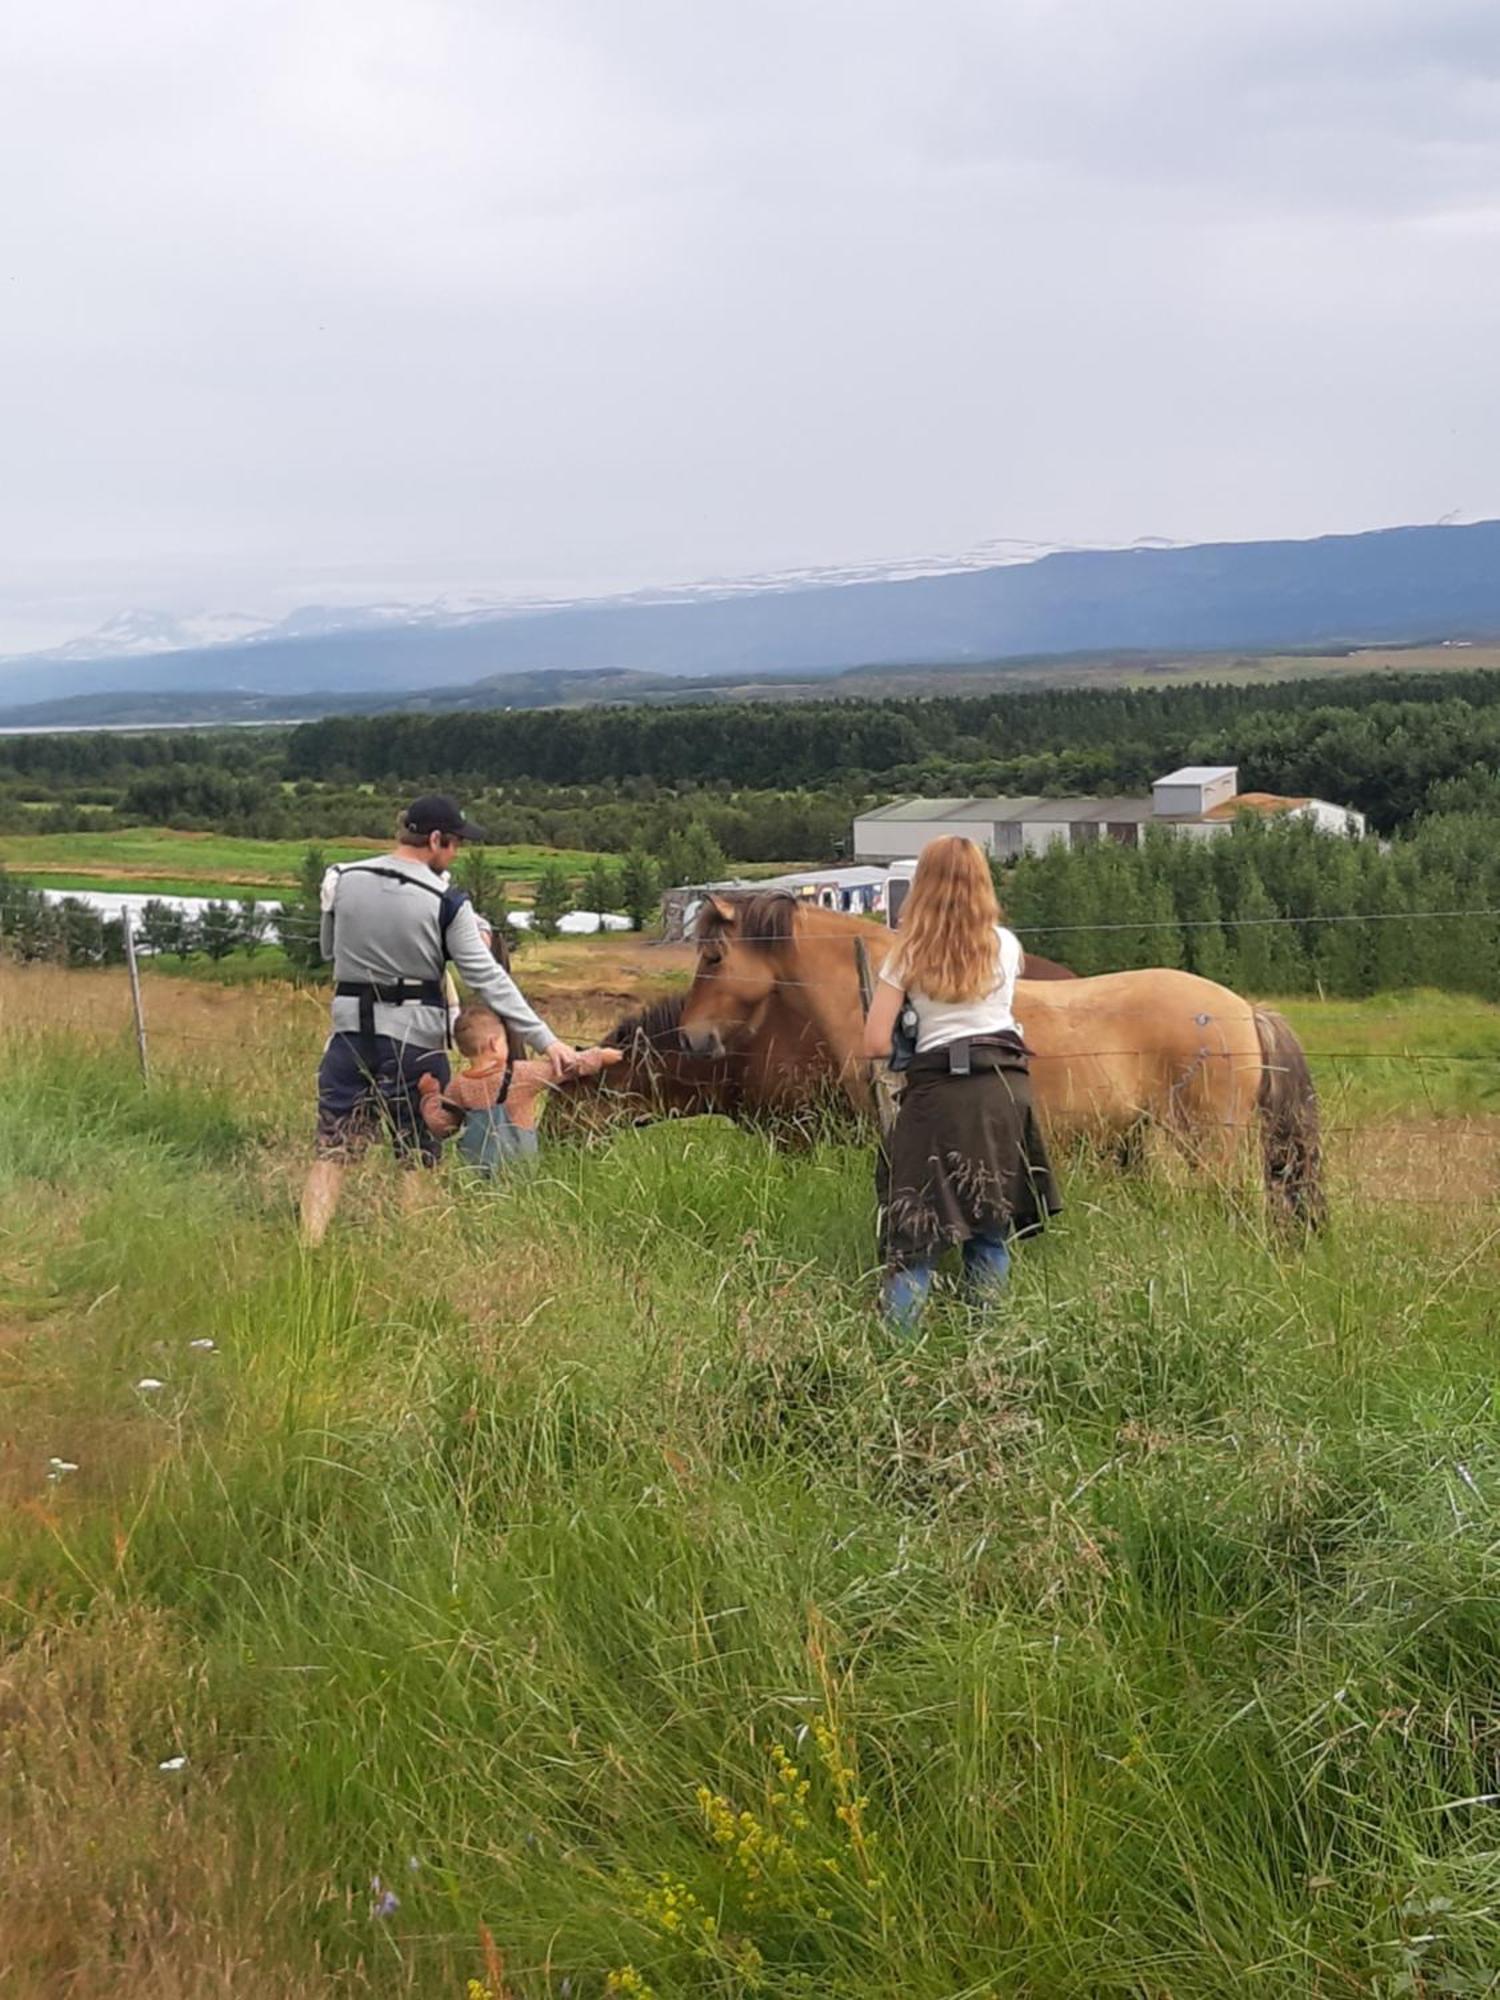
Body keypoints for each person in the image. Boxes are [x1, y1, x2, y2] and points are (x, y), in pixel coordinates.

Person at [299, 795, 577, 1245]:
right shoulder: (445, 901)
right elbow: (487, 979)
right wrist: (547, 1041)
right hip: (416, 1045)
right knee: (418, 1156)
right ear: (434, 839)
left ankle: (308, 1249)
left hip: (348, 1038)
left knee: (332, 1151)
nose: (456, 854)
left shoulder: (342, 879)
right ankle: (418, 1254)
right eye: (454, 845)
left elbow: (329, 950)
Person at [861, 834, 1060, 1330]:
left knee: (915, 1236)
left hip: (939, 1098)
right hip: (1004, 1090)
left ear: (923, 885)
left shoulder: (907, 953)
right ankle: (985, 1354)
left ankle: (897, 1357)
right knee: (989, 1230)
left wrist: (913, 1029)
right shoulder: (1007, 945)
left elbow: (873, 1042)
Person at [417, 1002, 623, 1173]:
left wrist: (430, 1095)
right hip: (520, 1172)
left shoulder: (457, 1086)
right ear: (494, 1044)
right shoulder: (521, 1074)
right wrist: (600, 1056)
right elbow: (566, 1067)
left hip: (475, 1172)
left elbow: (442, 1126)